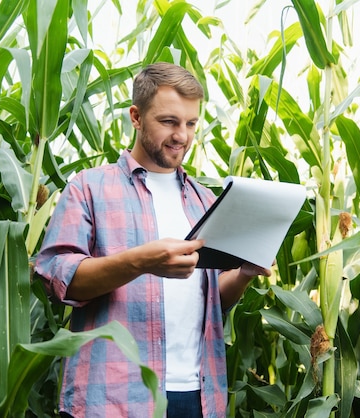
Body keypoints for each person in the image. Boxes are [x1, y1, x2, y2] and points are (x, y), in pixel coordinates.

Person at [34, 62, 271, 418]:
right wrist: (140, 261)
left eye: (191, 123)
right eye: (169, 122)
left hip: (199, 398)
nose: (182, 136)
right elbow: (58, 279)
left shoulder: (204, 201)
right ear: (136, 117)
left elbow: (210, 304)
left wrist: (244, 274)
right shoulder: (89, 188)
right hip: (114, 399)